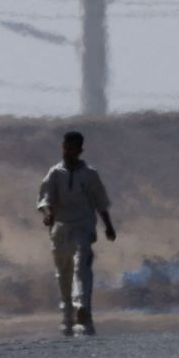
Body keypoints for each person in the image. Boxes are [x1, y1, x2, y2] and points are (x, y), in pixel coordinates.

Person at [37, 130, 116, 336]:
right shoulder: (55, 173)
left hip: (82, 226)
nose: (68, 152)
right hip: (60, 229)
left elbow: (100, 202)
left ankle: (82, 308)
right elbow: (45, 199)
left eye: (72, 148)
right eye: (65, 147)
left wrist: (108, 226)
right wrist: (48, 214)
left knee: (81, 265)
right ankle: (67, 316)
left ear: (80, 150)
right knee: (64, 273)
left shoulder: (89, 175)